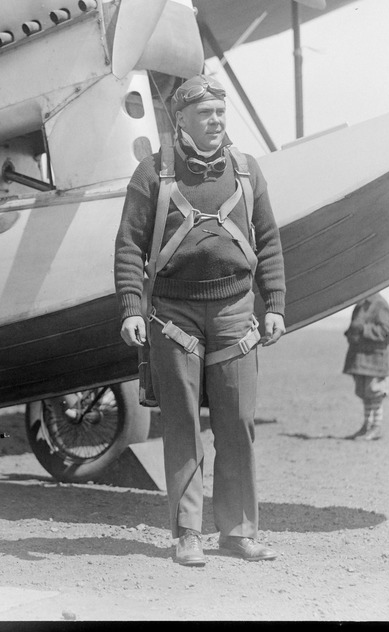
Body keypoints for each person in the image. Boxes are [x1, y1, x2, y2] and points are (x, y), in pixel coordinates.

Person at [114, 74, 286, 567]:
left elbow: (270, 240)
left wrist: (273, 304)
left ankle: (238, 533)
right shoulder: (152, 174)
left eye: (220, 113)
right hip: (173, 316)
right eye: (206, 113)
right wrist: (131, 308)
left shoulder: (248, 172)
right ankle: (188, 534)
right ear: (180, 118)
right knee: (183, 426)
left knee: (237, 424)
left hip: (236, 313)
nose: (216, 121)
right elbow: (128, 245)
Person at [342, 292, 389, 441]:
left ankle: (376, 427)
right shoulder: (360, 303)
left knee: (375, 393)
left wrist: (364, 330)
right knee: (365, 393)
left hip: (375, 358)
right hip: (360, 358)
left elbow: (388, 330)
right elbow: (355, 326)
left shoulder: (379, 303)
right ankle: (367, 425)